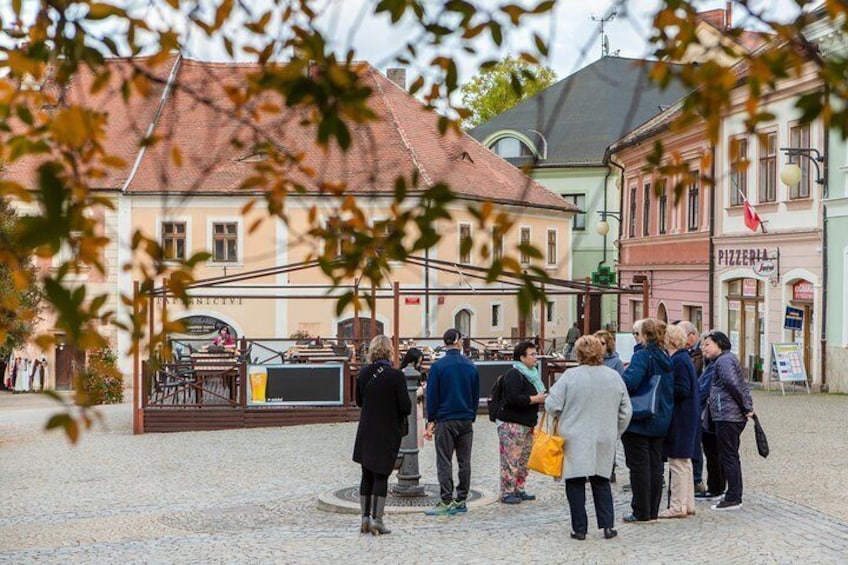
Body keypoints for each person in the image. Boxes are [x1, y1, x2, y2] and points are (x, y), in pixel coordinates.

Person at [546, 336, 632, 540]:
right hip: (604, 435)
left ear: (578, 353)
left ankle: (580, 528)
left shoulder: (570, 376)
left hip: (574, 436)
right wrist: (615, 431)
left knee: (575, 482)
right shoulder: (613, 376)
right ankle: (607, 526)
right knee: (601, 480)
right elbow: (626, 410)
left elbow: (552, 405)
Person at [352, 335, 412, 535]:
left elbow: (359, 401)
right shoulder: (396, 376)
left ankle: (364, 518)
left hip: (367, 430)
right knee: (381, 475)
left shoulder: (363, 374)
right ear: (390, 351)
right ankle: (378, 520)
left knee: (366, 473)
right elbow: (406, 406)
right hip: (387, 430)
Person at [620, 318, 675, 523]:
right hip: (661, 416)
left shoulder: (643, 355)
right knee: (655, 465)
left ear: (644, 335)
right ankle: (652, 509)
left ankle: (641, 510)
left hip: (641, 418)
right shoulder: (664, 355)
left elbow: (630, 383)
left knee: (639, 466)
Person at [424, 328, 480, 516]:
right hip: (465, 418)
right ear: (458, 341)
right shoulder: (470, 365)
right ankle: (461, 499)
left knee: (444, 460)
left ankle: (446, 499)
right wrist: (471, 415)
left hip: (446, 418)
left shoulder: (438, 367)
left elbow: (432, 395)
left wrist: (431, 419)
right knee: (465, 461)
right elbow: (475, 394)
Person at [701, 330, 754, 511]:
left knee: (729, 455)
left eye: (707, 344)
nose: (704, 348)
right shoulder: (723, 360)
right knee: (727, 454)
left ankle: (733, 497)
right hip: (727, 414)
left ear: (719, 344)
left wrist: (746, 407)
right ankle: (730, 493)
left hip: (728, 415)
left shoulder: (724, 361)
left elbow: (734, 384)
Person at [495, 342, 547, 504]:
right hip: (512, 423)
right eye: (532, 354)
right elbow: (513, 398)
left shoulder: (532, 374)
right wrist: (535, 399)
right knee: (511, 459)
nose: (535, 358)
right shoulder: (514, 374)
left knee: (524, 458)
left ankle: (519, 488)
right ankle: (507, 492)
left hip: (527, 423)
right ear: (522, 357)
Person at [659, 325, 700, 519]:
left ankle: (677, 505)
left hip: (680, 416)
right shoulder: (684, 358)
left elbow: (682, 389)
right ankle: (687, 503)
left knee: (677, 461)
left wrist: (664, 391)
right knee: (684, 462)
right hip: (687, 415)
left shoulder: (678, 360)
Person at [675, 320, 706, 494]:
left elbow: (693, 380)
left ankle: (696, 480)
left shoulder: (696, 355)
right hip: (696, 404)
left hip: (697, 406)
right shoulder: (688, 354)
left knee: (695, 446)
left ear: (692, 336)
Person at [400, 348, 426, 449]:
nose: (419, 364)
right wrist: (421, 390)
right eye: (418, 362)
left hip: (418, 407)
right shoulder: (403, 373)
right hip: (411, 407)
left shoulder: (418, 372)